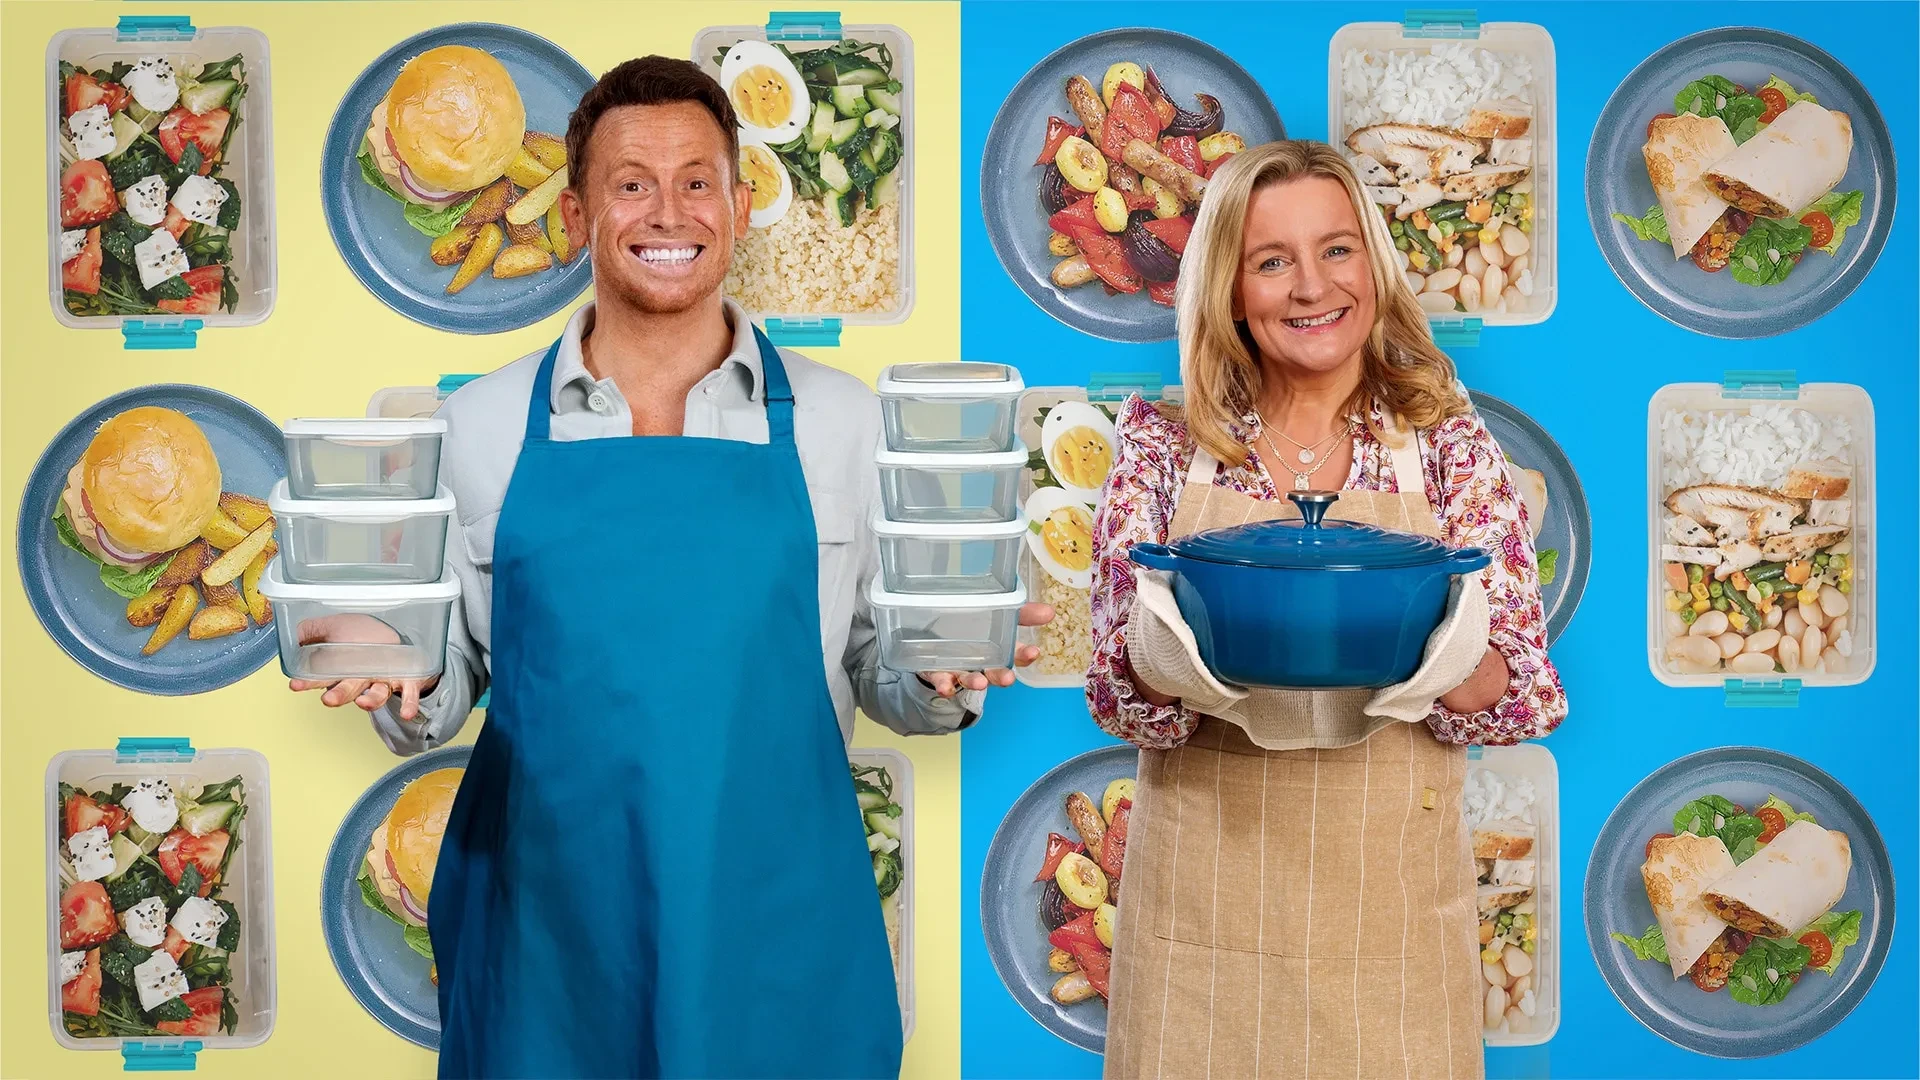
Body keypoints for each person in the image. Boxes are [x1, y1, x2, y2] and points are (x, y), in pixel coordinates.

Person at [291, 56, 1048, 1079]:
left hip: (778, 924)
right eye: (631, 183)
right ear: (576, 215)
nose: (669, 210)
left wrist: (937, 677)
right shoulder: (471, 432)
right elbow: (450, 678)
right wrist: (408, 680)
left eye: (697, 180)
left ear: (738, 206)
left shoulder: (845, 423)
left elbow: (880, 668)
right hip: (549, 938)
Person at [1086, 141, 1566, 1079]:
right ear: (1230, 288)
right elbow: (1119, 697)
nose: (1312, 287)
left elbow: (1528, 699)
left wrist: (1427, 643)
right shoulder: (1160, 443)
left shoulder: (1449, 448)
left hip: (1387, 929)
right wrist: (1183, 640)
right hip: (1202, 924)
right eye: (1272, 261)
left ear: (1375, 270)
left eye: (1337, 251)